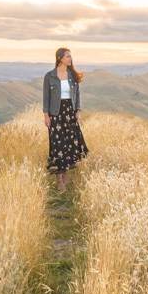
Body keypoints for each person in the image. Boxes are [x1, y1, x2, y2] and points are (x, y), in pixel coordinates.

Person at [42, 46, 89, 191]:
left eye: (70, 56)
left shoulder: (72, 75)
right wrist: (46, 115)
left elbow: (77, 95)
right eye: (68, 56)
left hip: (70, 111)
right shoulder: (49, 76)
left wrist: (78, 111)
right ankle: (59, 179)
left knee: (69, 143)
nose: (70, 58)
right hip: (55, 113)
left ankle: (65, 174)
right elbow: (46, 97)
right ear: (60, 58)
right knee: (57, 145)